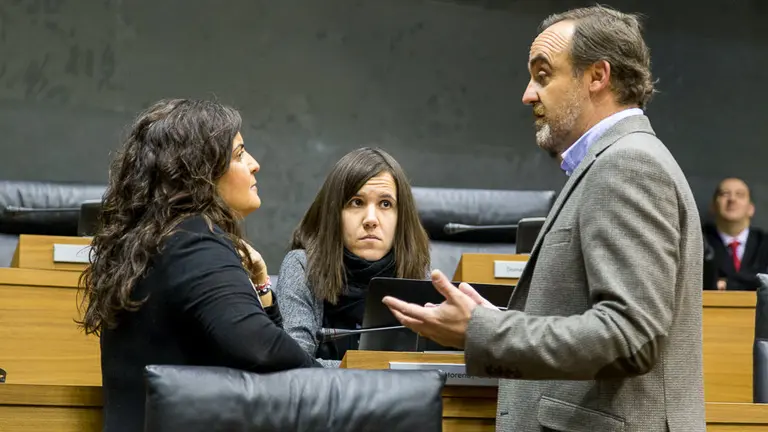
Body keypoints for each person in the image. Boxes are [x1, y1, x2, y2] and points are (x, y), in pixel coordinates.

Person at [382, 6, 705, 431]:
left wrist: (483, 331)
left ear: (597, 76)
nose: (528, 93)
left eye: (543, 74)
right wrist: (495, 319)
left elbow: (630, 336)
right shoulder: (618, 162)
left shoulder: (625, 166)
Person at [78, 99, 319, 432]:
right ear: (199, 172)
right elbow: (263, 351)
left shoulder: (152, 242)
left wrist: (262, 285)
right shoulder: (194, 242)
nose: (254, 164)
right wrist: (338, 386)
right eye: (238, 154)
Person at [275, 147, 430, 365]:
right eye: (356, 202)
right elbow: (295, 365)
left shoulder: (416, 271)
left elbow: (433, 364)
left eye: (385, 204)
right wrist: (383, 371)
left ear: (401, 218)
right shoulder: (302, 266)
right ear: (333, 214)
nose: (371, 219)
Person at [703, 177, 768, 291]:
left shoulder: (764, 243)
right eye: (725, 194)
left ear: (751, 208)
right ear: (712, 206)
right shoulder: (700, 241)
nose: (732, 199)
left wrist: (726, 284)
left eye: (740, 194)